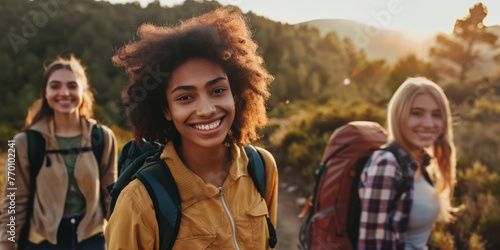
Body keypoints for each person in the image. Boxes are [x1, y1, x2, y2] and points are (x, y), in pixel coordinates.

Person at [104, 6, 278, 250]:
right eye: (185, 97)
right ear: (166, 110)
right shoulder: (140, 201)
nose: (206, 109)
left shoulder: (261, 168)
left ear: (235, 96)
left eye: (217, 90)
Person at [0, 54, 117, 250]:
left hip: (92, 239)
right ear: (45, 92)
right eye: (55, 86)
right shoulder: (22, 142)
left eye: (72, 86)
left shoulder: (103, 137)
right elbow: (12, 203)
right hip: (41, 241)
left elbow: (110, 196)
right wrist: (6, 245)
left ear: (83, 91)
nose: (64, 92)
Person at [358, 77, 456, 250]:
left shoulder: (421, 162)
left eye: (436, 114)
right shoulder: (387, 165)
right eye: (417, 113)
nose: (428, 123)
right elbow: (371, 245)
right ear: (399, 116)